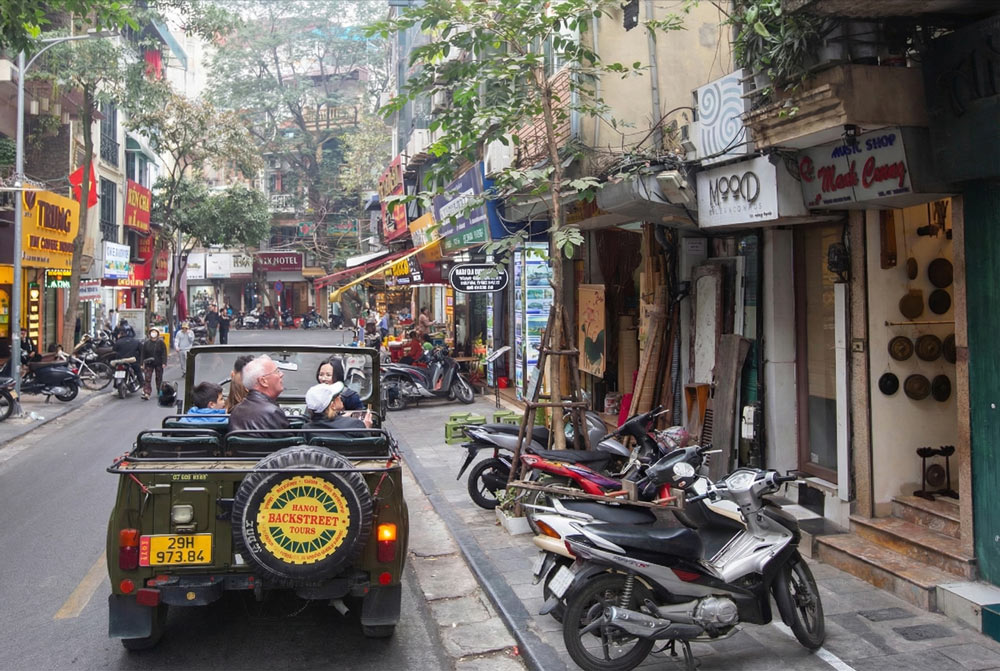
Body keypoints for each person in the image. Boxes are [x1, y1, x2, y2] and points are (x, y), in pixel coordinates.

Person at [228, 354, 290, 436]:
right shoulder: (272, 413)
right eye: (277, 371)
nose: (281, 374)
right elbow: (289, 445)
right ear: (263, 381)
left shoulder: (235, 411)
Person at [303, 382, 372, 435]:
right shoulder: (355, 425)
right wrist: (367, 429)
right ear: (332, 405)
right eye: (337, 395)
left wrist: (341, 418)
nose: (340, 397)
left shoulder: (306, 429)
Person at [140, 328, 167, 400]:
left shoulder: (161, 343)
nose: (153, 333)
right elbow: (143, 354)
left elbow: (164, 353)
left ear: (157, 334)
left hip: (158, 363)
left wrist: (164, 362)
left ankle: (160, 391)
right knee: (147, 378)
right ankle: (147, 393)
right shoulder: (146, 343)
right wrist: (142, 363)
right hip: (148, 363)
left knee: (159, 378)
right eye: (152, 332)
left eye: (155, 332)